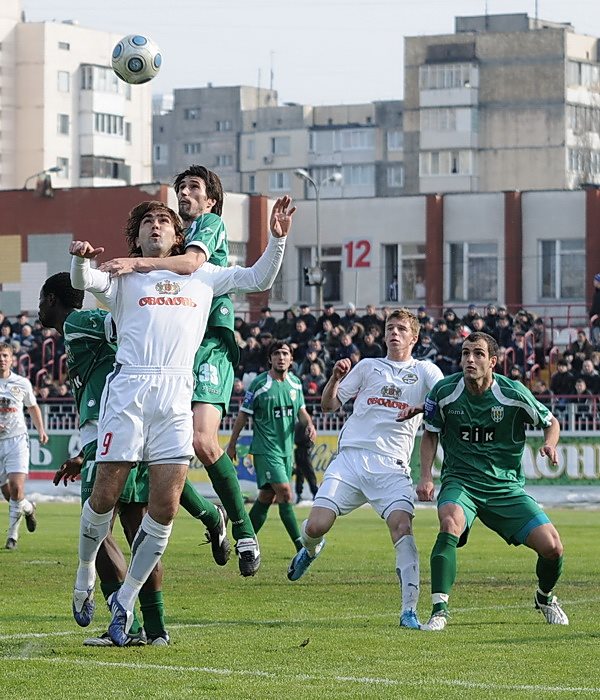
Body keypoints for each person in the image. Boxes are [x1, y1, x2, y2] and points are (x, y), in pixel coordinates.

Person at [69, 197, 292, 646]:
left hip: (175, 394)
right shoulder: (125, 275)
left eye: (163, 220)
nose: (156, 225)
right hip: (130, 389)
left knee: (166, 508)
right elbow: (85, 280)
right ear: (137, 236)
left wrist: (278, 239)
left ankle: (126, 599)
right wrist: (79, 260)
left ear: (178, 235)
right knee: (105, 494)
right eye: (148, 221)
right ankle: (84, 573)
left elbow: (259, 278)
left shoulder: (204, 276)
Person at [39, 271, 231, 646]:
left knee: (100, 529)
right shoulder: (76, 336)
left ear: (50, 300)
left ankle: (124, 621)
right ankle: (153, 629)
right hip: (120, 429)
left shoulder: (80, 321)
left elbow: (125, 328)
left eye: (40, 301)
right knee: (136, 525)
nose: (38, 310)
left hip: (120, 427)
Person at [100, 165, 260, 576]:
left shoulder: (209, 226)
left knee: (202, 440)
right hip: (172, 352)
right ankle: (210, 515)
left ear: (211, 200)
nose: (184, 194)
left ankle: (244, 530)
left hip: (209, 344)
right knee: (155, 455)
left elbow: (189, 265)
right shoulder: (179, 235)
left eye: (193, 187)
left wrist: (134, 264)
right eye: (181, 188)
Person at [287, 309, 444, 630]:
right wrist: (334, 378)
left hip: (391, 467)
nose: (394, 333)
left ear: (414, 337)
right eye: (390, 328)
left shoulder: (424, 370)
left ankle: (409, 611)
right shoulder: (368, 366)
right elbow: (328, 405)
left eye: (402, 329)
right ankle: (311, 549)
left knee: (403, 528)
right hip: (351, 460)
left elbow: (444, 396)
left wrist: (422, 409)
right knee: (316, 526)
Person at [417, 331, 568, 631]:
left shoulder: (512, 393)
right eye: (465, 353)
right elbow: (431, 432)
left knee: (553, 547)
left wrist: (550, 444)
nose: (470, 359)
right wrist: (425, 477)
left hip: (504, 488)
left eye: (478, 354)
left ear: (493, 362)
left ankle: (544, 597)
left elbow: (550, 421)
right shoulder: (444, 392)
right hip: (461, 482)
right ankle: (439, 611)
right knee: (449, 524)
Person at [226, 341, 316, 551]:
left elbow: (301, 411)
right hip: (265, 450)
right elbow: (242, 416)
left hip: (286, 451)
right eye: (276, 353)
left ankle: (243, 540)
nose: (281, 357)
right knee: (285, 493)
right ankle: (301, 548)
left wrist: (310, 425)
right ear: (270, 359)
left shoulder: (295, 384)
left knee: (267, 496)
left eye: (285, 353)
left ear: (291, 359)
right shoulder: (259, 384)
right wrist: (232, 444)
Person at [0, 342, 47, 550]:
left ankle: (12, 537)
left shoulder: (21, 383)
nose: (2, 359)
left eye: (5, 355)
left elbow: (32, 407)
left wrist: (41, 429)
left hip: (17, 440)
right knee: (10, 495)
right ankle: (28, 508)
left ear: (12, 359)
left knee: (17, 488)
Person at [293, 416, 319, 504]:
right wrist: (310, 443)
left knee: (300, 474)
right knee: (309, 473)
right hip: (304, 451)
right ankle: (315, 493)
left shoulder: (298, 424)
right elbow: (306, 439)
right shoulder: (305, 425)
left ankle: (299, 494)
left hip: (298, 451)